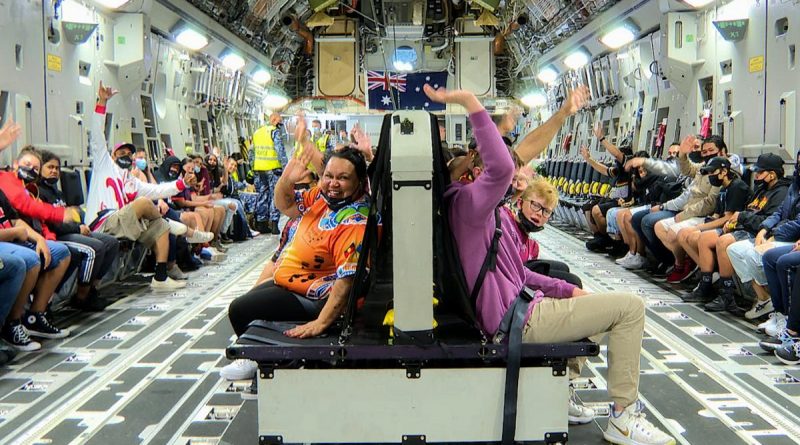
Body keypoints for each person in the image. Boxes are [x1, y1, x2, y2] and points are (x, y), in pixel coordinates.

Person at [434, 84, 675, 445]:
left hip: (520, 308)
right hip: (518, 321)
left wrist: (569, 291)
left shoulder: (476, 211)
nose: (513, 175)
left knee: (585, 299)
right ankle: (624, 418)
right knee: (629, 308)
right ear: (464, 174)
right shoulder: (468, 205)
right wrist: (471, 104)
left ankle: (559, 389)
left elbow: (513, 161)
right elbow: (501, 166)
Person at [222, 146, 372, 381]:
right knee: (250, 299)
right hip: (295, 281)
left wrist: (320, 323)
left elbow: (348, 279)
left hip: (317, 296)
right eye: (329, 176)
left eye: (343, 178)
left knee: (241, 309)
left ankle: (270, 359)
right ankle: (262, 354)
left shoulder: (355, 220)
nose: (333, 183)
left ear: (359, 182)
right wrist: (286, 179)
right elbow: (286, 205)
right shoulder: (324, 198)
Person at [85, 82, 191, 290]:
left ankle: (160, 277)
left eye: (128, 154)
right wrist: (102, 103)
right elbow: (96, 136)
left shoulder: (131, 180)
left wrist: (181, 183)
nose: (125, 156)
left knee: (160, 227)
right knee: (143, 203)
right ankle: (173, 222)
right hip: (103, 220)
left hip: (123, 222)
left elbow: (157, 190)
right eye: (121, 153)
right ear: (113, 155)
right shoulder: (103, 165)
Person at [38, 150, 120, 310]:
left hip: (70, 231)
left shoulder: (58, 193)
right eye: (50, 167)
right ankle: (81, 297)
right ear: (41, 168)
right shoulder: (40, 193)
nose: (54, 171)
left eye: (57, 168)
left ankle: (91, 290)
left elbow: (67, 215)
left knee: (111, 243)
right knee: (94, 249)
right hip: (56, 235)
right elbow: (53, 222)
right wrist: (77, 227)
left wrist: (78, 221)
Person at [676, 157, 751, 311]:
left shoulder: (738, 187)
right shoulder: (724, 189)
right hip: (724, 225)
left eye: (712, 172)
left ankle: (724, 292)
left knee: (703, 237)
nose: (710, 176)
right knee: (691, 235)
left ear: (724, 172)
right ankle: (706, 282)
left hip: (737, 228)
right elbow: (718, 215)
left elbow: (729, 217)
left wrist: (699, 228)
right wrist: (701, 227)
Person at [250, 113, 288, 235]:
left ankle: (262, 223)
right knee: (275, 195)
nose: (280, 124)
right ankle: (274, 224)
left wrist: (253, 167)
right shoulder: (274, 131)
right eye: (279, 121)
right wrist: (286, 168)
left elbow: (252, 151)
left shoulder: (257, 132)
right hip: (273, 169)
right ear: (273, 120)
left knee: (262, 194)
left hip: (259, 169)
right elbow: (279, 150)